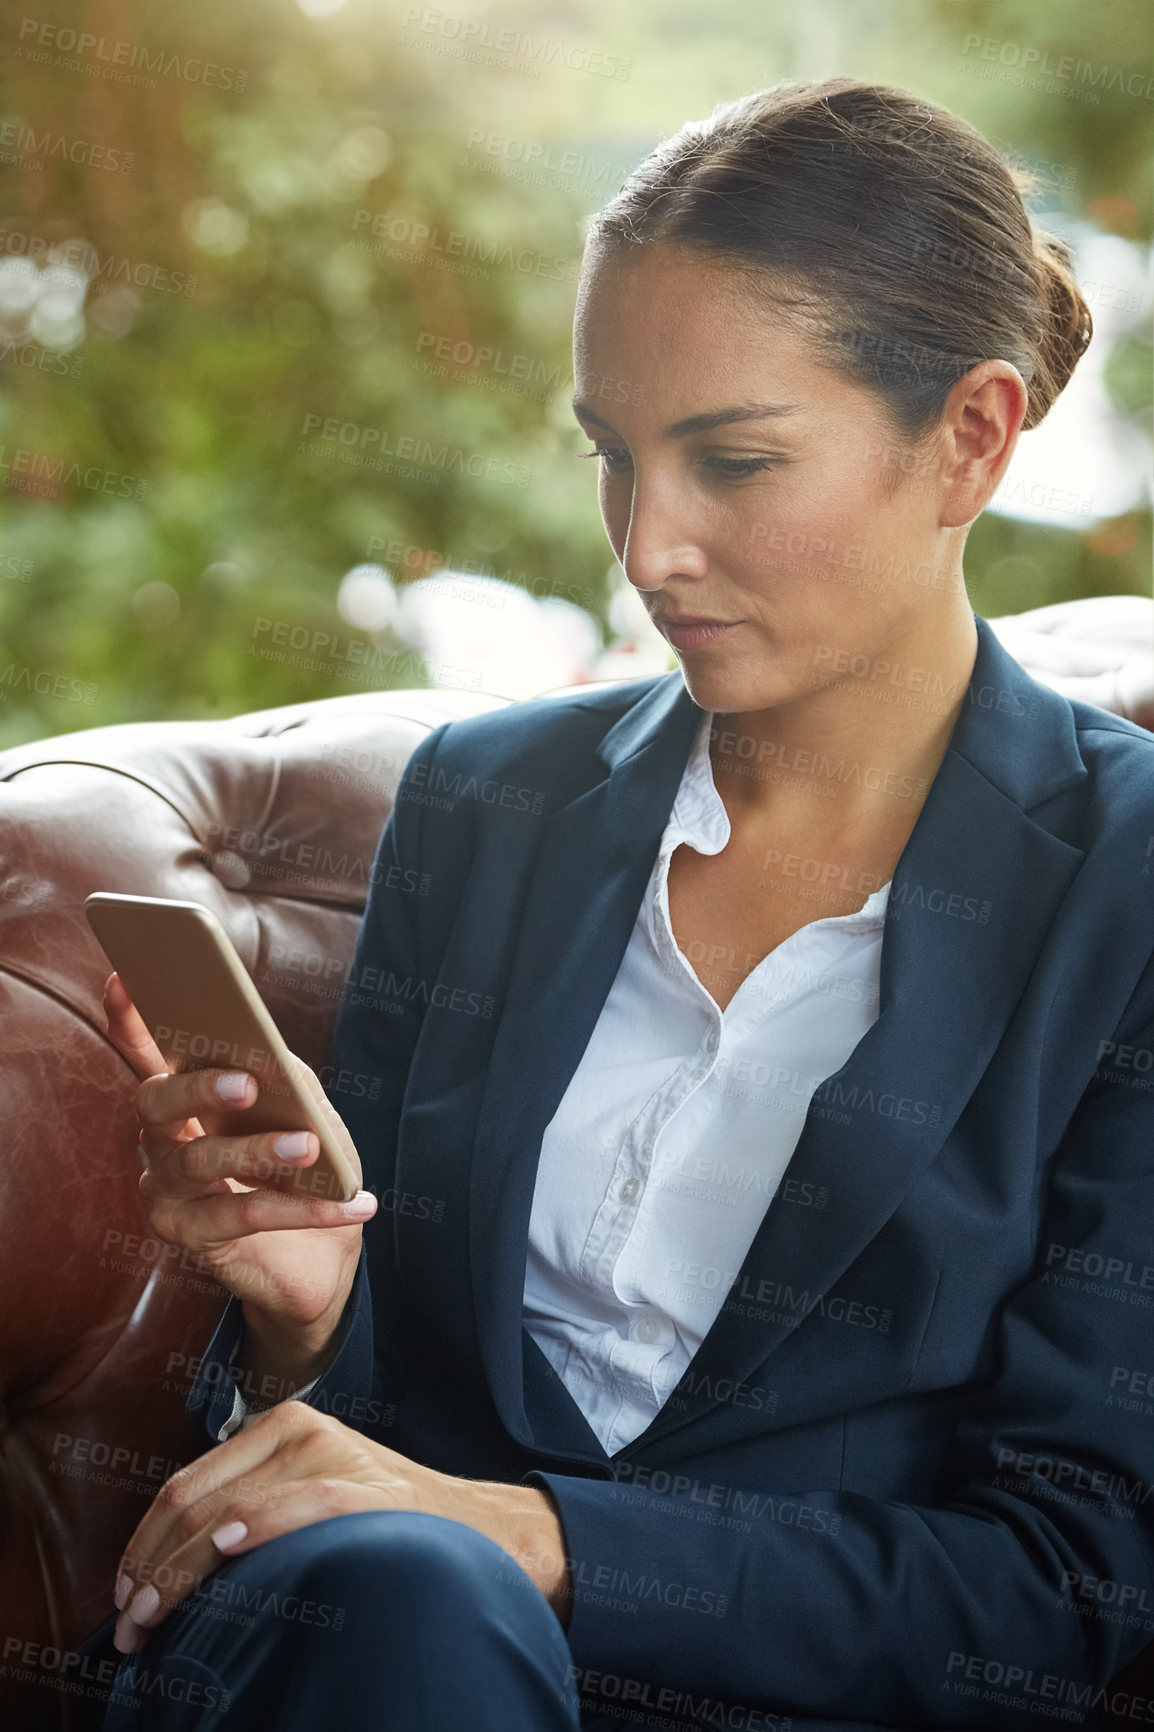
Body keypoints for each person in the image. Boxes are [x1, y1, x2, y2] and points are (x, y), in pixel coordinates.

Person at [84, 77, 1154, 1731]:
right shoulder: (490, 801)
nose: (646, 550)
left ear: (970, 437)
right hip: (373, 1650)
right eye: (612, 456)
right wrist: (305, 1321)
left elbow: (1057, 1586)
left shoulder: (1129, 890)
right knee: (408, 1599)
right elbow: (362, 1441)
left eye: (731, 459)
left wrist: (540, 1539)